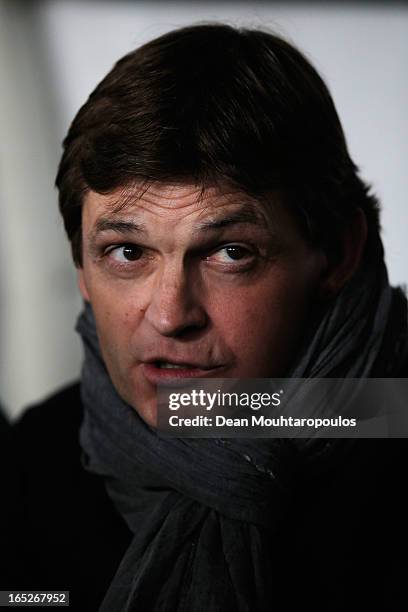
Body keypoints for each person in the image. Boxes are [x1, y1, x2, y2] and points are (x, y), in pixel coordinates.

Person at [6, 23, 408, 611]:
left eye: (230, 253)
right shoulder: (33, 460)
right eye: (127, 252)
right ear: (81, 271)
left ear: (338, 254)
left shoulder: (390, 427)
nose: (171, 316)